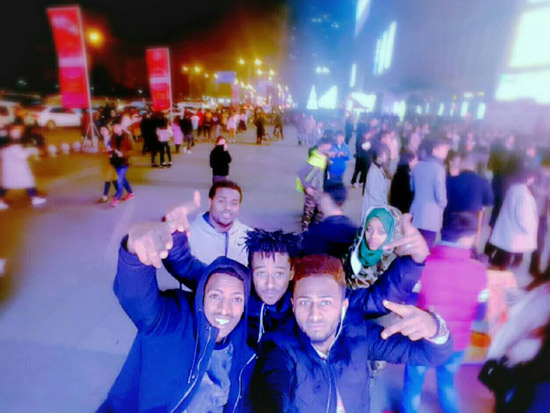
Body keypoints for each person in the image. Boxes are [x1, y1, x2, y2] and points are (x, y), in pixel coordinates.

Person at [251, 254, 453, 413]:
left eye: (325, 303)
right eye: (305, 303)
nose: (315, 315)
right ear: (294, 305)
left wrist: (434, 326)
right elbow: (271, 390)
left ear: (344, 306)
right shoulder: (279, 347)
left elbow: (432, 355)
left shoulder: (359, 335)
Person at [98, 236, 255, 412]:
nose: (224, 309)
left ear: (244, 306)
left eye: (236, 299)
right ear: (202, 297)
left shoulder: (246, 350)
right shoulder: (172, 320)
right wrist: (136, 251)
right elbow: (135, 296)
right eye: (215, 296)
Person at [401, 212, 487, 413]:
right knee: (447, 383)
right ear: (468, 238)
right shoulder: (479, 271)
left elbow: (410, 302)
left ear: (443, 232)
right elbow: (480, 314)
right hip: (456, 343)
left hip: (422, 338)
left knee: (413, 382)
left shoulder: (423, 264)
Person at [480, 275, 550, 412]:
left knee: (516, 399)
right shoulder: (542, 293)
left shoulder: (542, 297)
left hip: (528, 364)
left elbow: (517, 326)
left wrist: (495, 354)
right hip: (525, 363)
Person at [183, 181, 251, 266]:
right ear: (210, 202)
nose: (228, 207)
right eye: (221, 201)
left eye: (234, 203)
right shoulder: (189, 234)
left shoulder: (249, 237)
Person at [486, 164, 538, 270]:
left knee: (499, 259)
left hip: (507, 234)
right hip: (513, 237)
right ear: (528, 178)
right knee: (501, 264)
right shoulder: (523, 195)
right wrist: (530, 229)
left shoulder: (513, 188)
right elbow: (523, 217)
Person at [410, 137, 451, 248]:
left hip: (415, 213)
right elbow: (440, 196)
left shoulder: (417, 166)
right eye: (443, 148)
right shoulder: (439, 169)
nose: (446, 151)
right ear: (434, 150)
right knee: (425, 248)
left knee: (413, 246)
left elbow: (412, 188)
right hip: (431, 216)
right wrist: (444, 204)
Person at [301, 182, 359, 259]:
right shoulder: (354, 229)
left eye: (322, 195)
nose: (319, 199)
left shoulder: (317, 232)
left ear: (328, 198)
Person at [0, 124, 46, 209]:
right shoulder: (14, 145)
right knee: (28, 182)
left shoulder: (5, 145)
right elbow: (21, 156)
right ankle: (34, 198)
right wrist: (30, 150)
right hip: (18, 168)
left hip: (10, 168)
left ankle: (34, 196)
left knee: (6, 185)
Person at [296, 137, 333, 231]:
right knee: (309, 211)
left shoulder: (323, 158)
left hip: (319, 189)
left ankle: (315, 228)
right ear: (320, 147)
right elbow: (301, 174)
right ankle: (305, 230)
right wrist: (307, 187)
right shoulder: (313, 160)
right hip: (312, 189)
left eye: (329, 148)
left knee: (321, 211)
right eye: (326, 148)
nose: (327, 150)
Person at [109, 120, 135, 207]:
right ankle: (130, 193)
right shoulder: (113, 137)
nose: (115, 130)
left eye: (116, 128)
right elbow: (112, 147)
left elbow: (132, 150)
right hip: (116, 161)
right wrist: (111, 153)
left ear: (120, 127)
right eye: (113, 129)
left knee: (119, 180)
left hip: (125, 161)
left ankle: (116, 198)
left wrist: (123, 154)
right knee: (122, 179)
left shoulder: (127, 136)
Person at [361, 143, 390, 220]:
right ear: (380, 154)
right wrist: (382, 205)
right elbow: (373, 192)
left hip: (378, 206)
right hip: (375, 207)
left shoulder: (378, 168)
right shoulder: (373, 171)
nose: (386, 156)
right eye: (385, 153)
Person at [97, 124, 119, 203]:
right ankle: (119, 191)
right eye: (101, 130)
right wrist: (104, 151)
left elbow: (118, 149)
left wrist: (112, 152)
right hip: (105, 162)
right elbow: (99, 151)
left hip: (113, 161)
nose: (102, 132)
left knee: (108, 178)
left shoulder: (113, 138)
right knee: (112, 178)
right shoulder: (100, 140)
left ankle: (105, 196)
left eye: (104, 130)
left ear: (108, 130)